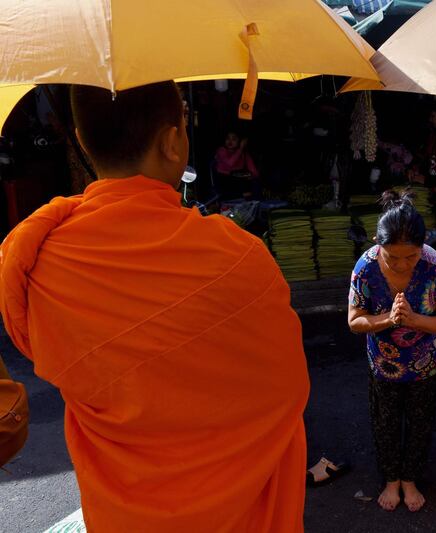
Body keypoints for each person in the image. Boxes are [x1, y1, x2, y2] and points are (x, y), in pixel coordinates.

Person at [0, 82, 309, 532]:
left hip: (123, 515)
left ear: (83, 142)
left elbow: (43, 351)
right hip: (243, 516)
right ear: (172, 142)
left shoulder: (40, 261)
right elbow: (289, 389)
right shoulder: (238, 257)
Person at [347, 190, 436, 513]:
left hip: (426, 364)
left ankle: (409, 480)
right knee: (385, 421)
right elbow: (354, 321)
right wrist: (388, 319)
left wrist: (415, 320)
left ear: (423, 247)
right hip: (383, 364)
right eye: (391, 257)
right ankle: (391, 480)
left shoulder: (435, 267)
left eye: (409, 257)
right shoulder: (365, 268)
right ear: (376, 243)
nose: (400, 264)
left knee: (421, 421)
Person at [214, 130, 261, 199]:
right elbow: (230, 164)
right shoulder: (222, 150)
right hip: (224, 179)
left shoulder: (244, 154)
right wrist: (240, 149)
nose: (230, 141)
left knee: (254, 182)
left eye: (234, 139)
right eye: (228, 138)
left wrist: (252, 176)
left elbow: (253, 170)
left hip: (238, 180)